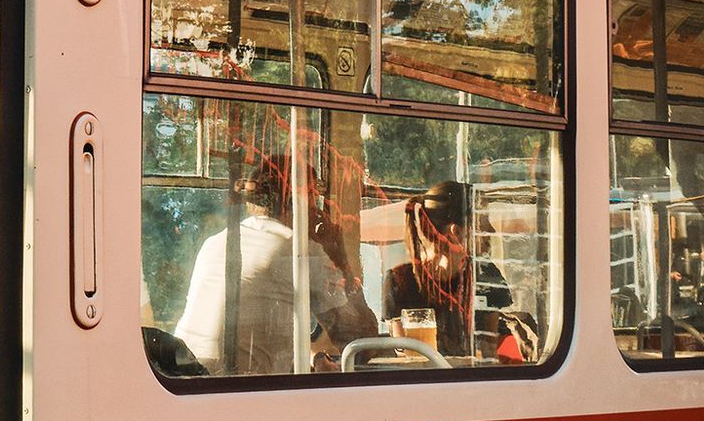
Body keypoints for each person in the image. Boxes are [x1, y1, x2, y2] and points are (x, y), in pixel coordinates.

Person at [172, 156, 376, 376]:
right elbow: (360, 338)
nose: (318, 208)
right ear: (299, 201)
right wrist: (337, 253)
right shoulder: (298, 250)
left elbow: (259, 328)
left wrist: (316, 357)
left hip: (188, 377)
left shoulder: (216, 242)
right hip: (244, 390)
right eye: (314, 197)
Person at [382, 179, 522, 361]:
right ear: (456, 232)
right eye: (483, 221)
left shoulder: (486, 275)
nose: (492, 230)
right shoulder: (399, 280)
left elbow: (488, 353)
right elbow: (406, 356)